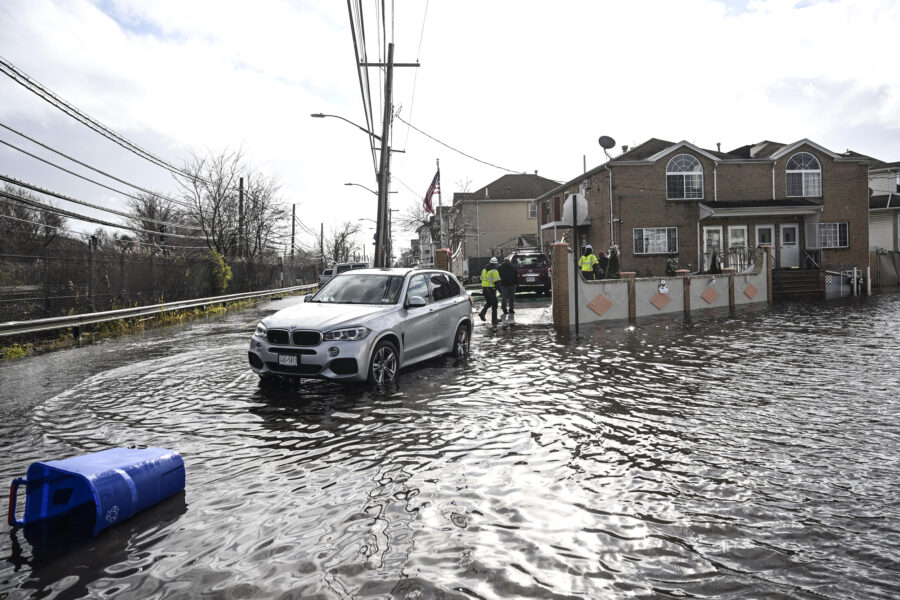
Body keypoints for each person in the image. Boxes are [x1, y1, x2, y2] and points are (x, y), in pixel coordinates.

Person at [479, 257, 501, 324]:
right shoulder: (495, 271)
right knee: (494, 304)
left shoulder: (484, 270)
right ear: (495, 264)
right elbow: (497, 283)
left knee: (489, 302)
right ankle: (494, 320)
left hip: (485, 289)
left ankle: (482, 313)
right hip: (490, 289)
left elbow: (481, 278)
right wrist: (501, 292)